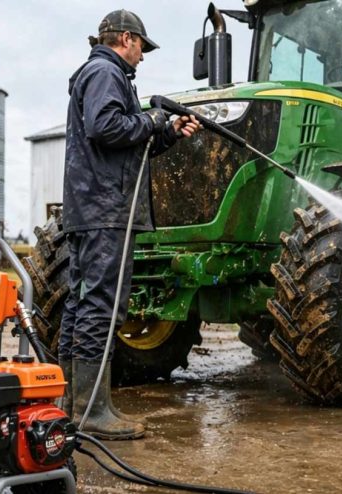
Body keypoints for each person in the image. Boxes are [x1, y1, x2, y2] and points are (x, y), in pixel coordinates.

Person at [59, 9, 200, 440]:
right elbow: (105, 127)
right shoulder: (105, 71)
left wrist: (168, 131)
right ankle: (91, 410)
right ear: (126, 38)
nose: (143, 57)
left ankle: (68, 403)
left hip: (92, 208)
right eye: (142, 47)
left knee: (80, 304)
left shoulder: (97, 73)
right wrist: (153, 119)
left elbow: (123, 144)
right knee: (101, 305)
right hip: (106, 211)